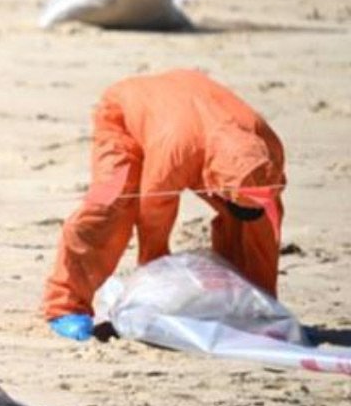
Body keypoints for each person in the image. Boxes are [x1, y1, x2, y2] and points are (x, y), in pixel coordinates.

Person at [42, 69, 286, 341]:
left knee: (251, 222)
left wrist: (266, 305)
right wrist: (155, 279)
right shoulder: (178, 150)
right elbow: (154, 209)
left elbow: (265, 226)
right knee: (108, 207)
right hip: (126, 115)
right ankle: (65, 305)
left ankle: (249, 309)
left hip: (190, 110)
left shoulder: (267, 145)